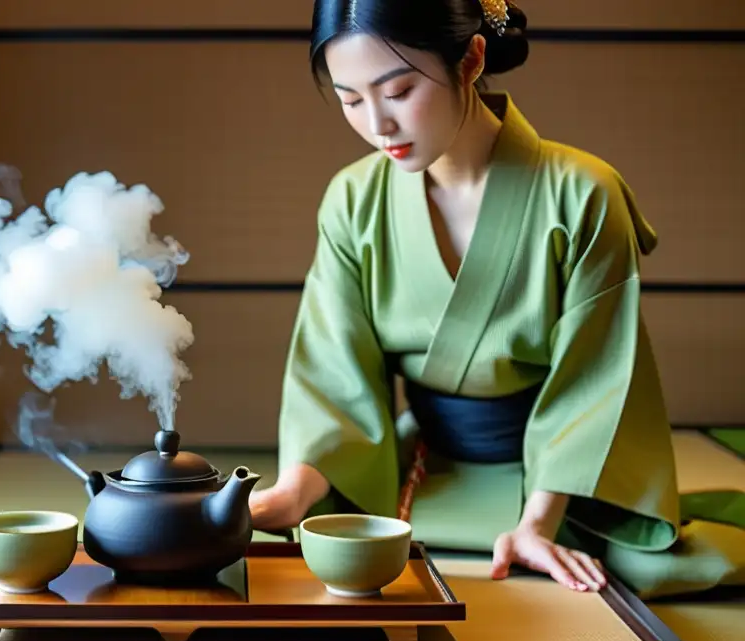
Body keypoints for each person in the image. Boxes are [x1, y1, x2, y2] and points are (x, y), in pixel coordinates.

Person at [249, 0, 745, 600]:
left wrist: (537, 524)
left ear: (472, 59)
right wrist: (291, 491)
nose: (377, 124)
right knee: (305, 549)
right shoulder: (352, 200)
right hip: (416, 465)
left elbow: (597, 379)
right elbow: (332, 372)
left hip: (558, 477)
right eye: (351, 100)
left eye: (399, 90)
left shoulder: (584, 194)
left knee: (657, 572)